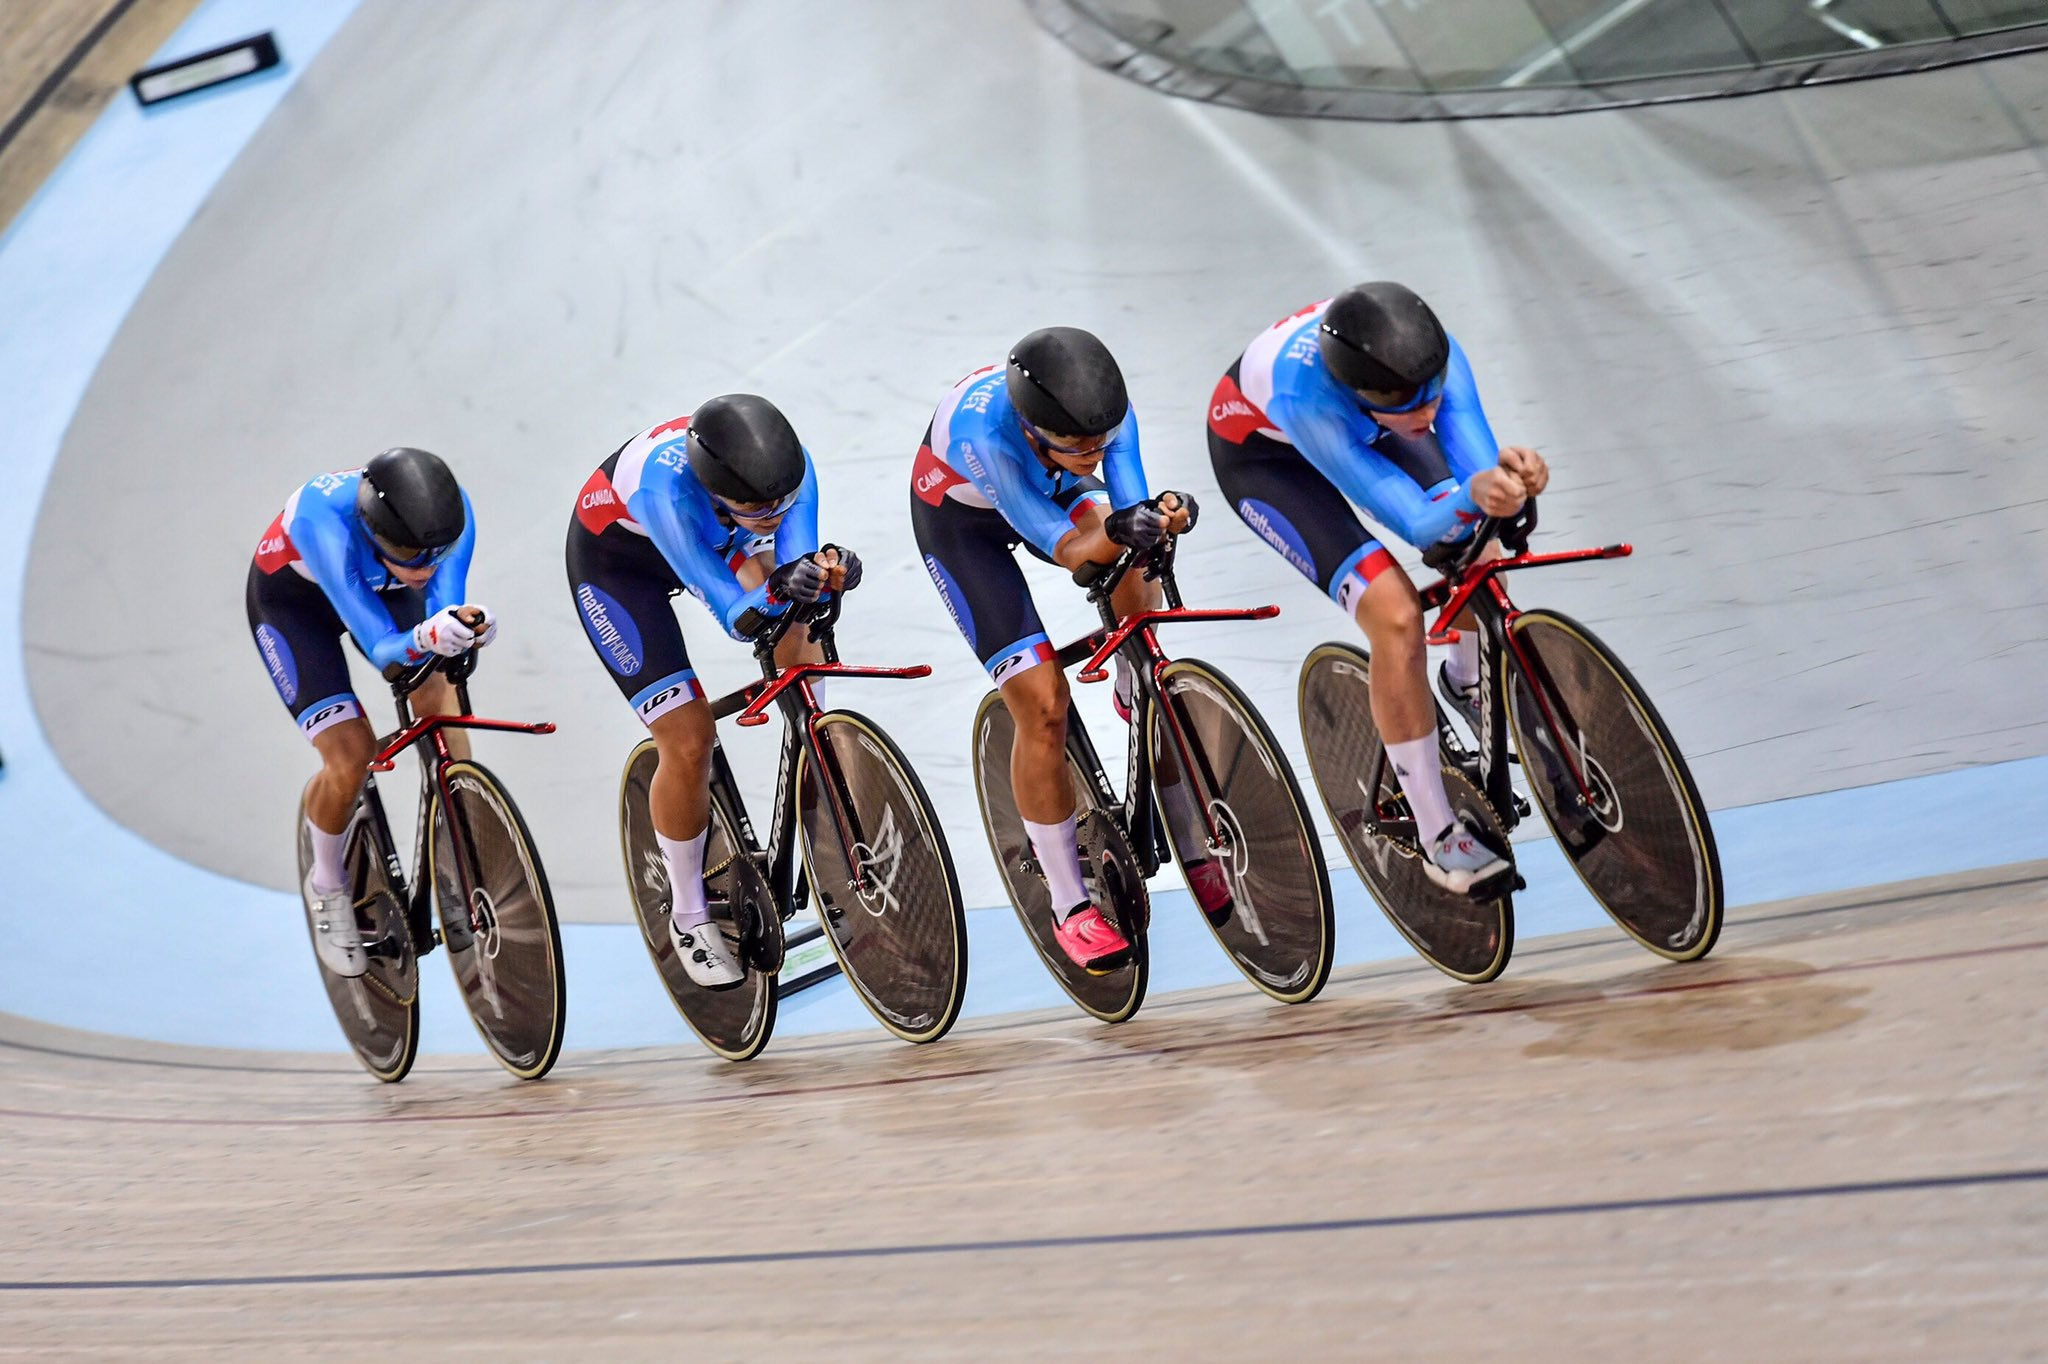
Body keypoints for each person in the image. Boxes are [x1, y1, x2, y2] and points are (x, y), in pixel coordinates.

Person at [1208, 282, 1549, 896]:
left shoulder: (1431, 361)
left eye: (1432, 398)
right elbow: (1411, 517)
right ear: (1364, 393)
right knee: (1394, 616)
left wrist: (1510, 479)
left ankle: (1466, 683)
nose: (1427, 413)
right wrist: (1473, 495)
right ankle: (1436, 831)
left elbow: (1476, 469)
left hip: (1362, 419)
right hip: (1266, 462)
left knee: (1480, 547)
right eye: (1405, 404)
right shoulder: (1306, 394)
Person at [912, 327, 1207, 974]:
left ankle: (1138, 680)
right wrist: (1117, 525)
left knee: (1136, 548)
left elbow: (1127, 509)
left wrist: (1160, 513)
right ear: (1029, 426)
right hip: (965, 528)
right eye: (1075, 445)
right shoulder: (982, 436)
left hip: (1052, 490)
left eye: (1099, 442)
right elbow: (1068, 549)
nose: (1093, 451)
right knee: (1042, 706)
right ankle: (1070, 905)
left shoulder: (1099, 418)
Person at [566, 394, 858, 988]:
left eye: (781, 500)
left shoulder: (788, 473)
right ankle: (689, 913)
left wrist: (830, 573)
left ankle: (817, 764)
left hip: (719, 534)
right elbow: (732, 611)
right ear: (719, 490)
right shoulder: (663, 492)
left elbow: (795, 559)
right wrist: (775, 583)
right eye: (757, 505)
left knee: (800, 632)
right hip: (619, 569)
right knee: (689, 738)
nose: (775, 510)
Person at [247, 447, 495, 977]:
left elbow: (442, 603)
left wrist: (460, 625)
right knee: (350, 754)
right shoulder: (324, 522)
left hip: (384, 592)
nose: (423, 565)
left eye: (432, 554)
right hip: (296, 607)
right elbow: (381, 645)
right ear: (371, 529)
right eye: (407, 552)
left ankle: (462, 835)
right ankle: (329, 886)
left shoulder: (452, 517)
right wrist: (427, 632)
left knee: (440, 701)